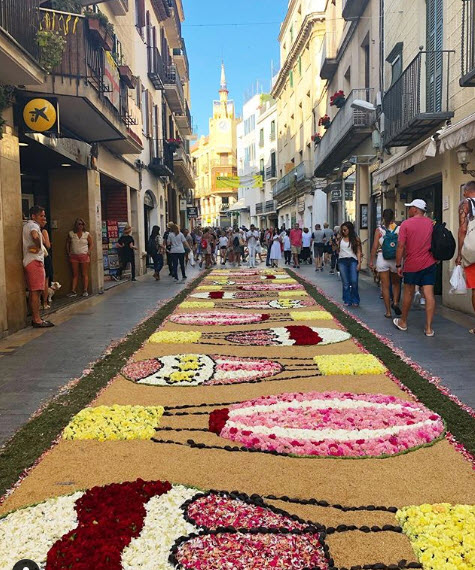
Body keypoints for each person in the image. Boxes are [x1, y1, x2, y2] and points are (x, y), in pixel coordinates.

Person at [394, 199, 437, 336]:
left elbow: (401, 246)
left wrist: (398, 264)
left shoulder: (406, 224)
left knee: (408, 293)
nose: (409, 210)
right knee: (429, 294)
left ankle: (403, 322)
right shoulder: (431, 223)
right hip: (429, 262)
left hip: (412, 264)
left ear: (416, 209)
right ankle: (429, 328)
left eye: (410, 207)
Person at [23, 206, 54, 328]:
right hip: (34, 261)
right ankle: (36, 319)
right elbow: (35, 236)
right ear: (33, 216)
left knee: (34, 291)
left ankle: (36, 316)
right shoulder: (33, 226)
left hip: (30, 261)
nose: (43, 218)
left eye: (44, 216)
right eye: (41, 216)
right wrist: (39, 245)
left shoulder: (27, 225)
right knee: (36, 291)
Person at [369, 209, 402, 318]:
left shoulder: (379, 230)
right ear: (394, 216)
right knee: (396, 283)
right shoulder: (399, 229)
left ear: (383, 217)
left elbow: (374, 247)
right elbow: (402, 245)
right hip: (395, 259)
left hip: (382, 258)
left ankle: (388, 312)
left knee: (385, 286)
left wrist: (371, 261)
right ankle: (396, 302)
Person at [456, 180, 475, 333]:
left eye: (464, 190)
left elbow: (463, 229)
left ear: (468, 191)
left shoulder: (466, 204)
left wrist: (459, 253)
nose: (463, 193)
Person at [66, 217, 93, 296]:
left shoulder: (87, 234)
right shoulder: (71, 233)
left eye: (82, 224)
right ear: (76, 225)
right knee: (75, 274)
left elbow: (91, 244)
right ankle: (73, 290)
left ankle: (85, 290)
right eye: (79, 224)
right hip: (74, 256)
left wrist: (88, 252)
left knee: (84, 274)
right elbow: (67, 243)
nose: (80, 226)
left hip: (84, 255)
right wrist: (68, 252)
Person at [338, 221, 362, 307]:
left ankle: (355, 299)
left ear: (350, 230)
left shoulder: (356, 239)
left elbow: (359, 251)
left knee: (354, 281)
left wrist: (359, 263)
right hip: (342, 261)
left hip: (353, 260)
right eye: (342, 230)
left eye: (345, 230)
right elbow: (337, 249)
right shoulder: (340, 238)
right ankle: (347, 299)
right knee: (345, 283)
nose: (343, 231)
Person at [42, 224, 53, 310]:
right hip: (45, 257)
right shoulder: (43, 231)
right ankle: (45, 303)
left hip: (37, 257)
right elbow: (48, 245)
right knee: (45, 281)